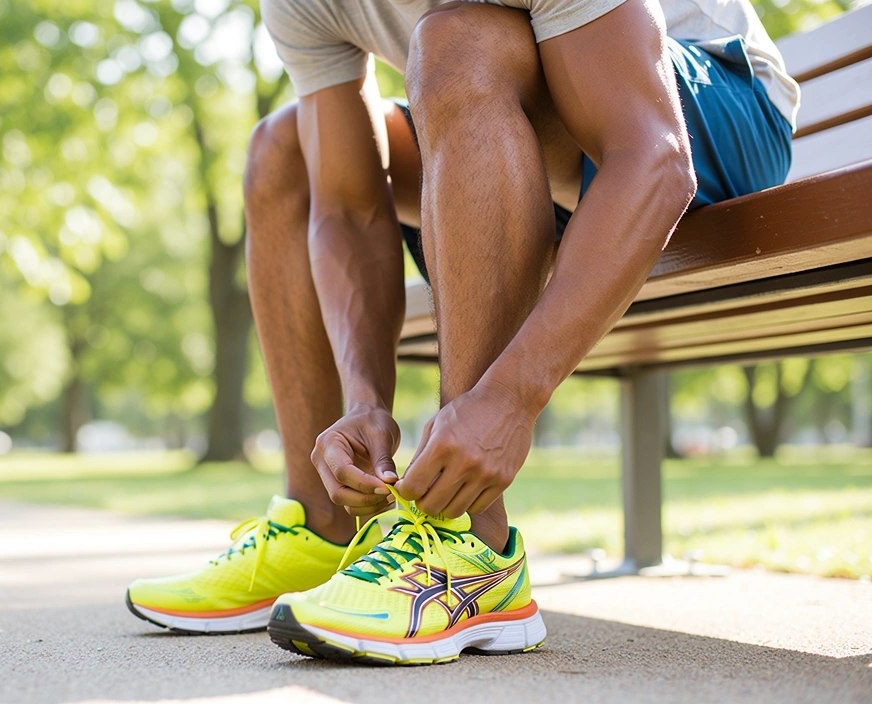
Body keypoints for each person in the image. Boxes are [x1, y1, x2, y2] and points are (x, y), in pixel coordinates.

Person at [126, 0, 798, 664]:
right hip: (533, 135)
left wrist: (510, 400)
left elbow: (655, 155)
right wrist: (364, 402)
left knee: (459, 40)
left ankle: (471, 543)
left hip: (710, 109)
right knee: (285, 147)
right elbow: (348, 206)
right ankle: (325, 525)